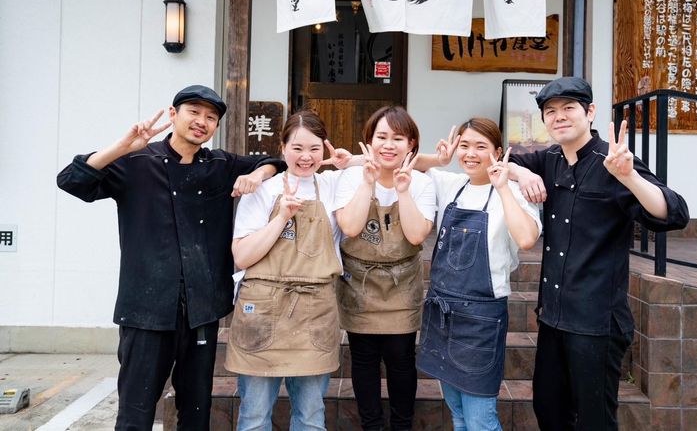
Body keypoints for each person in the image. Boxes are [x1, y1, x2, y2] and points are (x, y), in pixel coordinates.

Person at [56, 85, 286, 430]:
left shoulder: (220, 164)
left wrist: (256, 175)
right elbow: (71, 180)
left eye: (211, 117)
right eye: (194, 112)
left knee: (195, 412)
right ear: (174, 114)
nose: (202, 122)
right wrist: (123, 146)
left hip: (201, 310)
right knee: (136, 413)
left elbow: (275, 163)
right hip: (145, 311)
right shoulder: (135, 161)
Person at [507, 77, 690, 431]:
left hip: (596, 323)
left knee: (595, 421)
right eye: (550, 112)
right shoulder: (550, 158)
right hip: (553, 318)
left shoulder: (614, 161)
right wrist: (518, 171)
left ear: (589, 112)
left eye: (568, 109)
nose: (559, 117)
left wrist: (630, 179)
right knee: (549, 410)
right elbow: (503, 160)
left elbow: (675, 214)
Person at [226, 110, 354, 431]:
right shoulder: (263, 190)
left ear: (324, 149)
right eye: (297, 148)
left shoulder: (334, 184)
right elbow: (241, 256)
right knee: (254, 418)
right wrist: (281, 216)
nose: (306, 157)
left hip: (315, 314)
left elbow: (385, 165)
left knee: (310, 418)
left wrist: (348, 162)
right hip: (263, 311)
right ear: (282, 149)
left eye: (314, 148)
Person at [415, 118, 541, 431]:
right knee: (457, 414)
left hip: (482, 319)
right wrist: (440, 159)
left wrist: (506, 184)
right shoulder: (450, 184)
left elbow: (526, 239)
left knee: (480, 420)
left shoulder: (513, 192)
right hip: (444, 313)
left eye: (481, 147)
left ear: (498, 152)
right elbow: (398, 161)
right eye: (465, 145)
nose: (471, 154)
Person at [333, 106, 436, 431]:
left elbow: (417, 234)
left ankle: (402, 426)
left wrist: (402, 190)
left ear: (411, 144)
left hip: (402, 284)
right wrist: (367, 183)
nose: (388, 145)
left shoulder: (421, 182)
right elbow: (349, 227)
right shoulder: (350, 177)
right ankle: (372, 426)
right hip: (359, 284)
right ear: (369, 141)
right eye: (381, 137)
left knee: (401, 358)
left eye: (397, 138)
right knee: (362, 359)